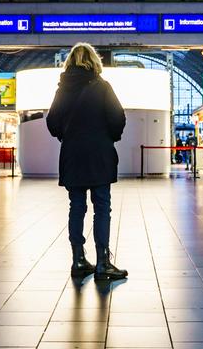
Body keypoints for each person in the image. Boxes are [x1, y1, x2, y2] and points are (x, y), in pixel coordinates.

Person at [46, 42, 128, 281]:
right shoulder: (102, 87)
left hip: (72, 155)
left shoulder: (62, 89)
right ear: (94, 61)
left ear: (70, 62)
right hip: (100, 154)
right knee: (102, 206)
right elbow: (118, 118)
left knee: (77, 207)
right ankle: (103, 262)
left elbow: (52, 123)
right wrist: (109, 137)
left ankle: (78, 260)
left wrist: (67, 135)